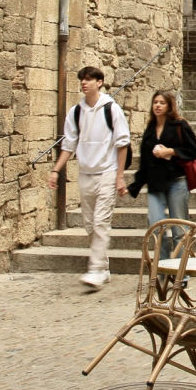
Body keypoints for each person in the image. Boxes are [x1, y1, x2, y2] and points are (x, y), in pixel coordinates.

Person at [48, 66, 130, 289]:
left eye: (89, 79)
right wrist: (56, 170)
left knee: (101, 221)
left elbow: (123, 143)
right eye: (82, 80)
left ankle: (95, 270)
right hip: (85, 173)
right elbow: (68, 144)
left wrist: (120, 176)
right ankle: (102, 267)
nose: (84, 83)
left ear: (100, 82)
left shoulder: (111, 109)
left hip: (107, 171)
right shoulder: (76, 112)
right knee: (89, 224)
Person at [127, 89, 196, 258]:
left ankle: (180, 274)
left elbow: (192, 151)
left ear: (169, 106)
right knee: (155, 227)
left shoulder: (179, 125)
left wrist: (171, 151)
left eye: (162, 103)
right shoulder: (150, 130)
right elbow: (144, 163)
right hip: (155, 184)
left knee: (179, 229)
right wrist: (134, 186)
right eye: (155, 102)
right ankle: (163, 269)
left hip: (177, 181)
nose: (158, 106)